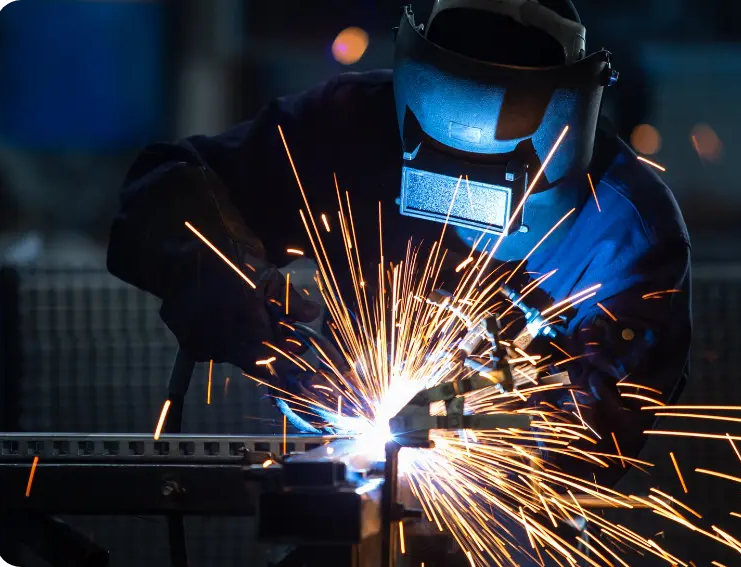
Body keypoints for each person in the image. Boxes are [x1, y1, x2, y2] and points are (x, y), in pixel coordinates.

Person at [108, 0, 690, 527]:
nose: (462, 204)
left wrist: (483, 417)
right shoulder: (350, 127)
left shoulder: (628, 231)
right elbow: (165, 187)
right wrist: (233, 286)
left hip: (508, 527)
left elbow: (593, 436)